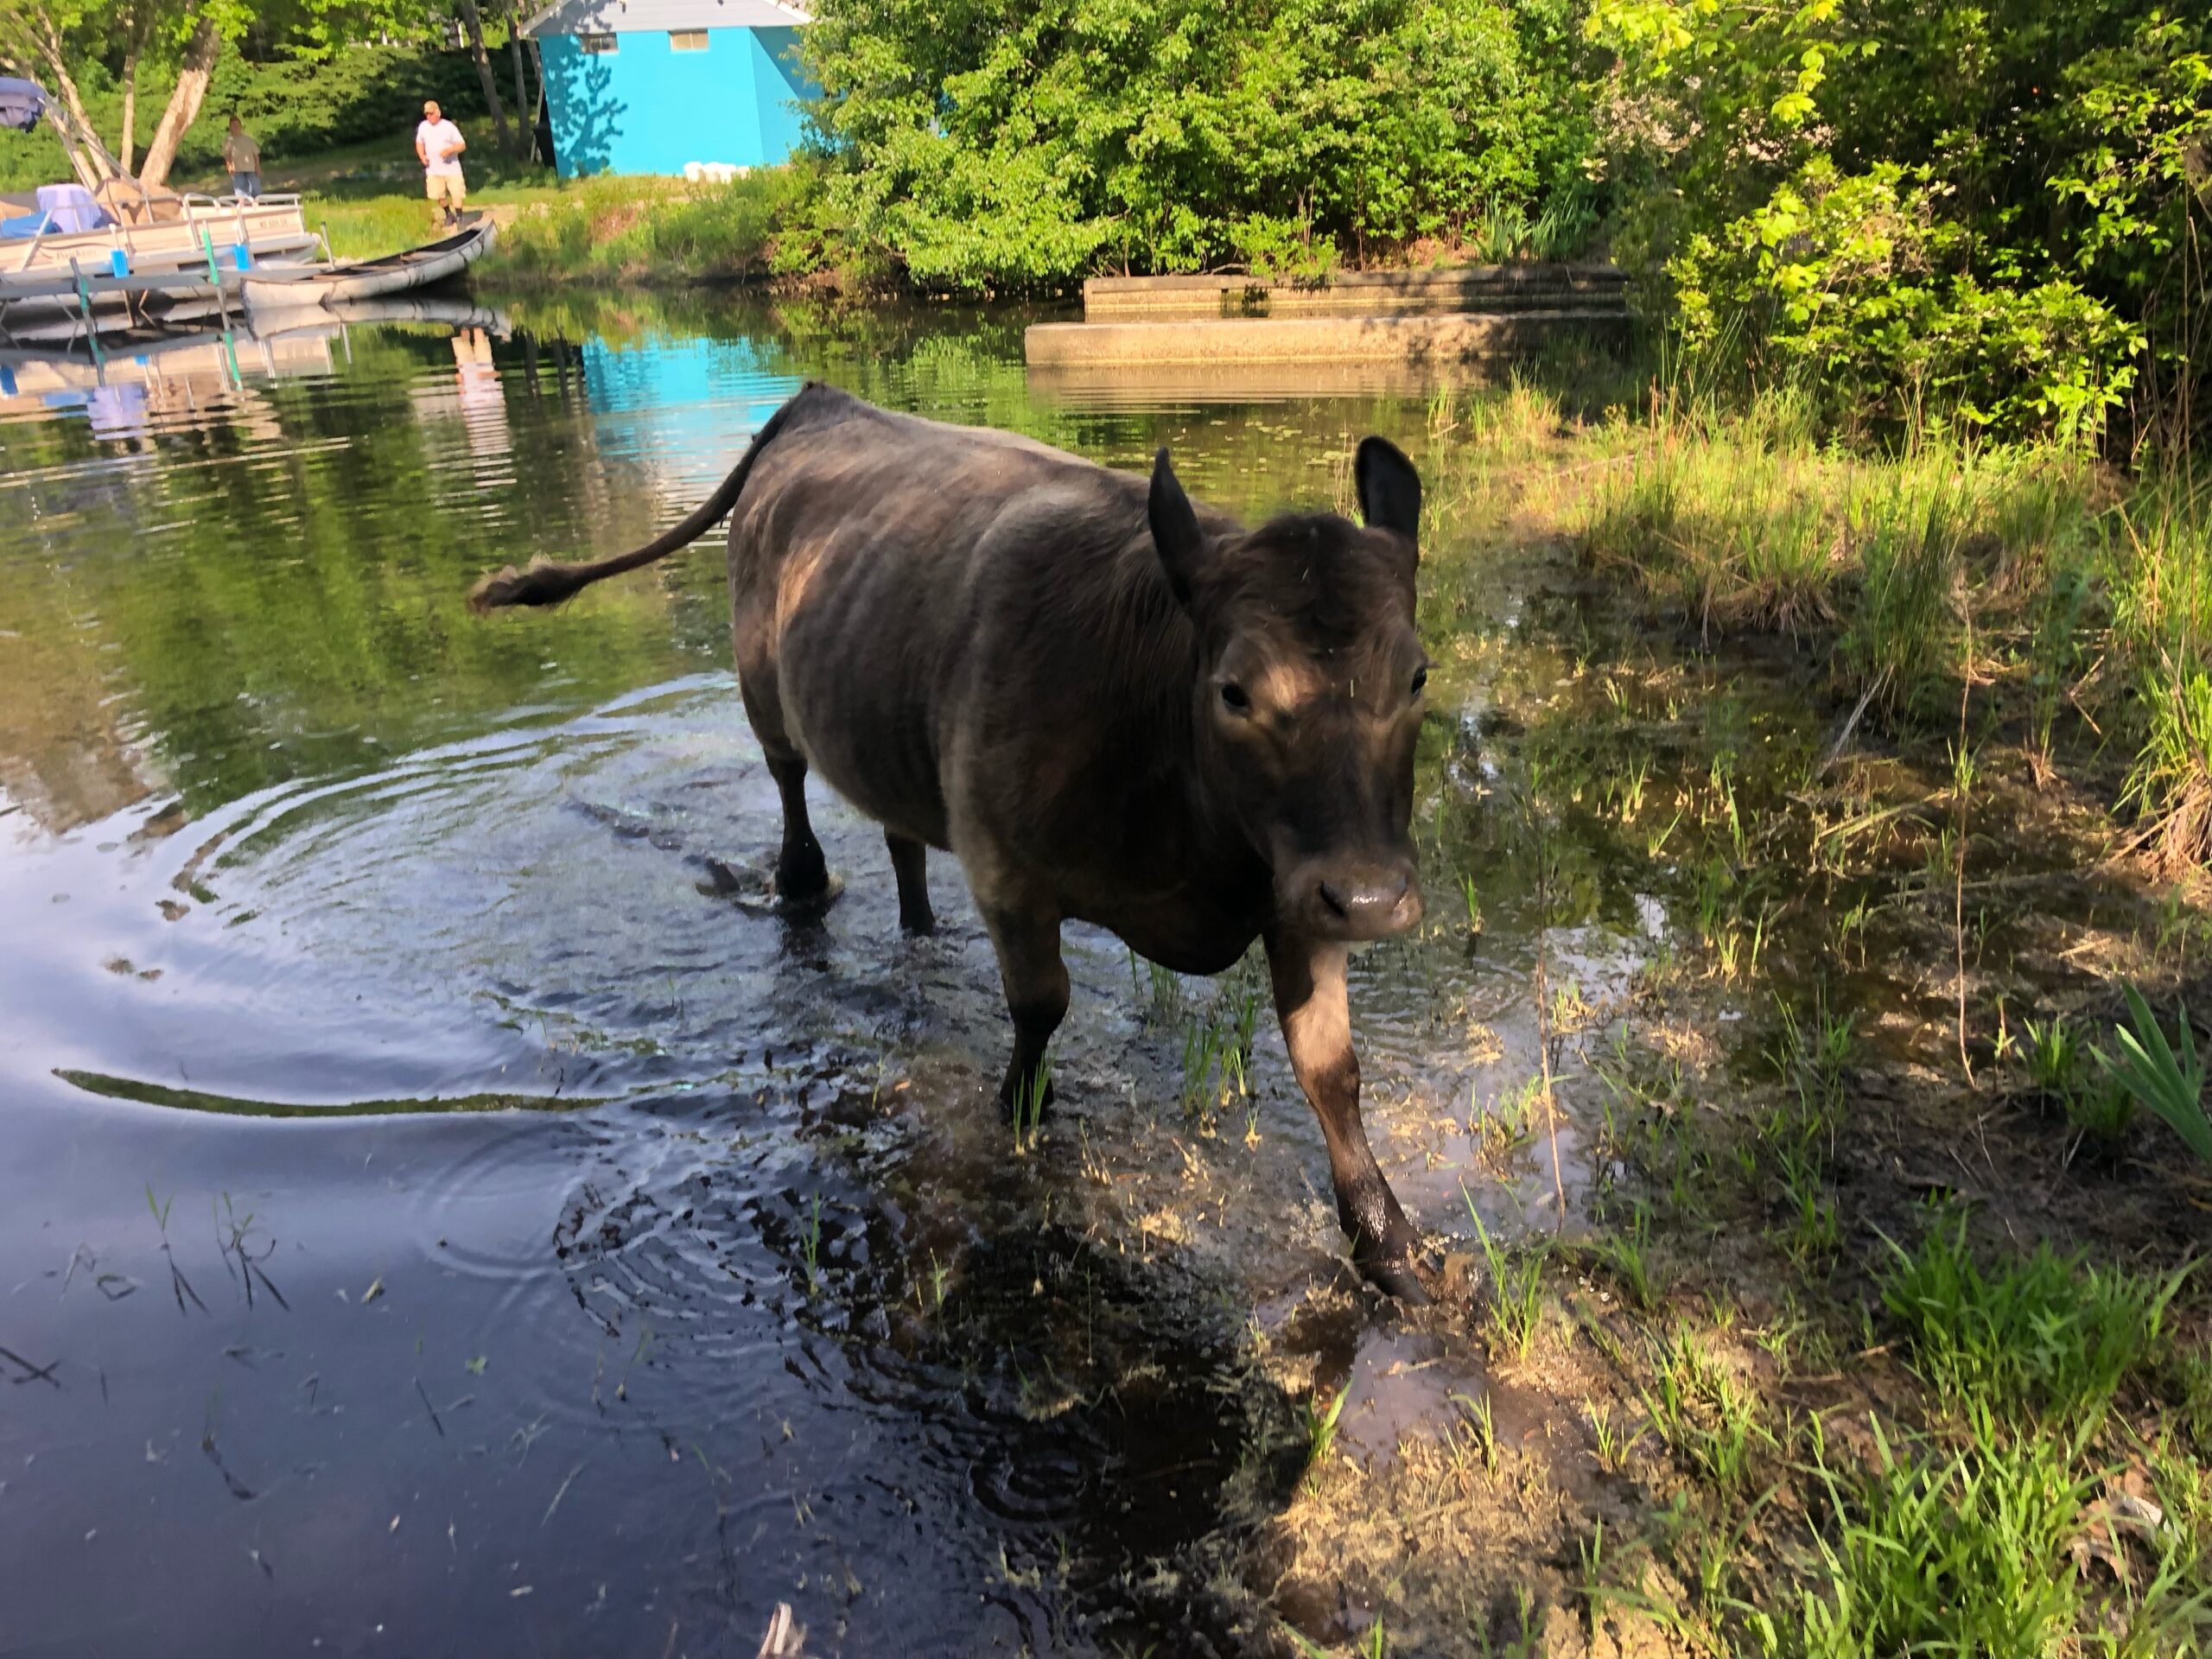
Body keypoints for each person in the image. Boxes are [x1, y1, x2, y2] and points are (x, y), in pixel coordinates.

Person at [415, 99, 467, 229]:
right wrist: (422, 156)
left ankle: (460, 217)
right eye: (427, 114)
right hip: (433, 169)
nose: (429, 116)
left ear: (438, 113)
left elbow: (462, 145)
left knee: (456, 194)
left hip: (451, 169)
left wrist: (449, 150)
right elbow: (419, 143)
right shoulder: (423, 127)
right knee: (438, 195)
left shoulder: (448, 127)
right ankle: (449, 214)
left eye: (431, 113)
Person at [222, 115, 260, 201]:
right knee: (240, 192)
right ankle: (243, 209)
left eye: (237, 125)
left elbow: (256, 154)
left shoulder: (248, 139)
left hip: (251, 169)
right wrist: (229, 166)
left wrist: (257, 166)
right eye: (233, 125)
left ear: (241, 126)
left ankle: (256, 207)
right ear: (230, 128)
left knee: (255, 190)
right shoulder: (228, 141)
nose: (236, 127)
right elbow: (227, 155)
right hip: (237, 170)